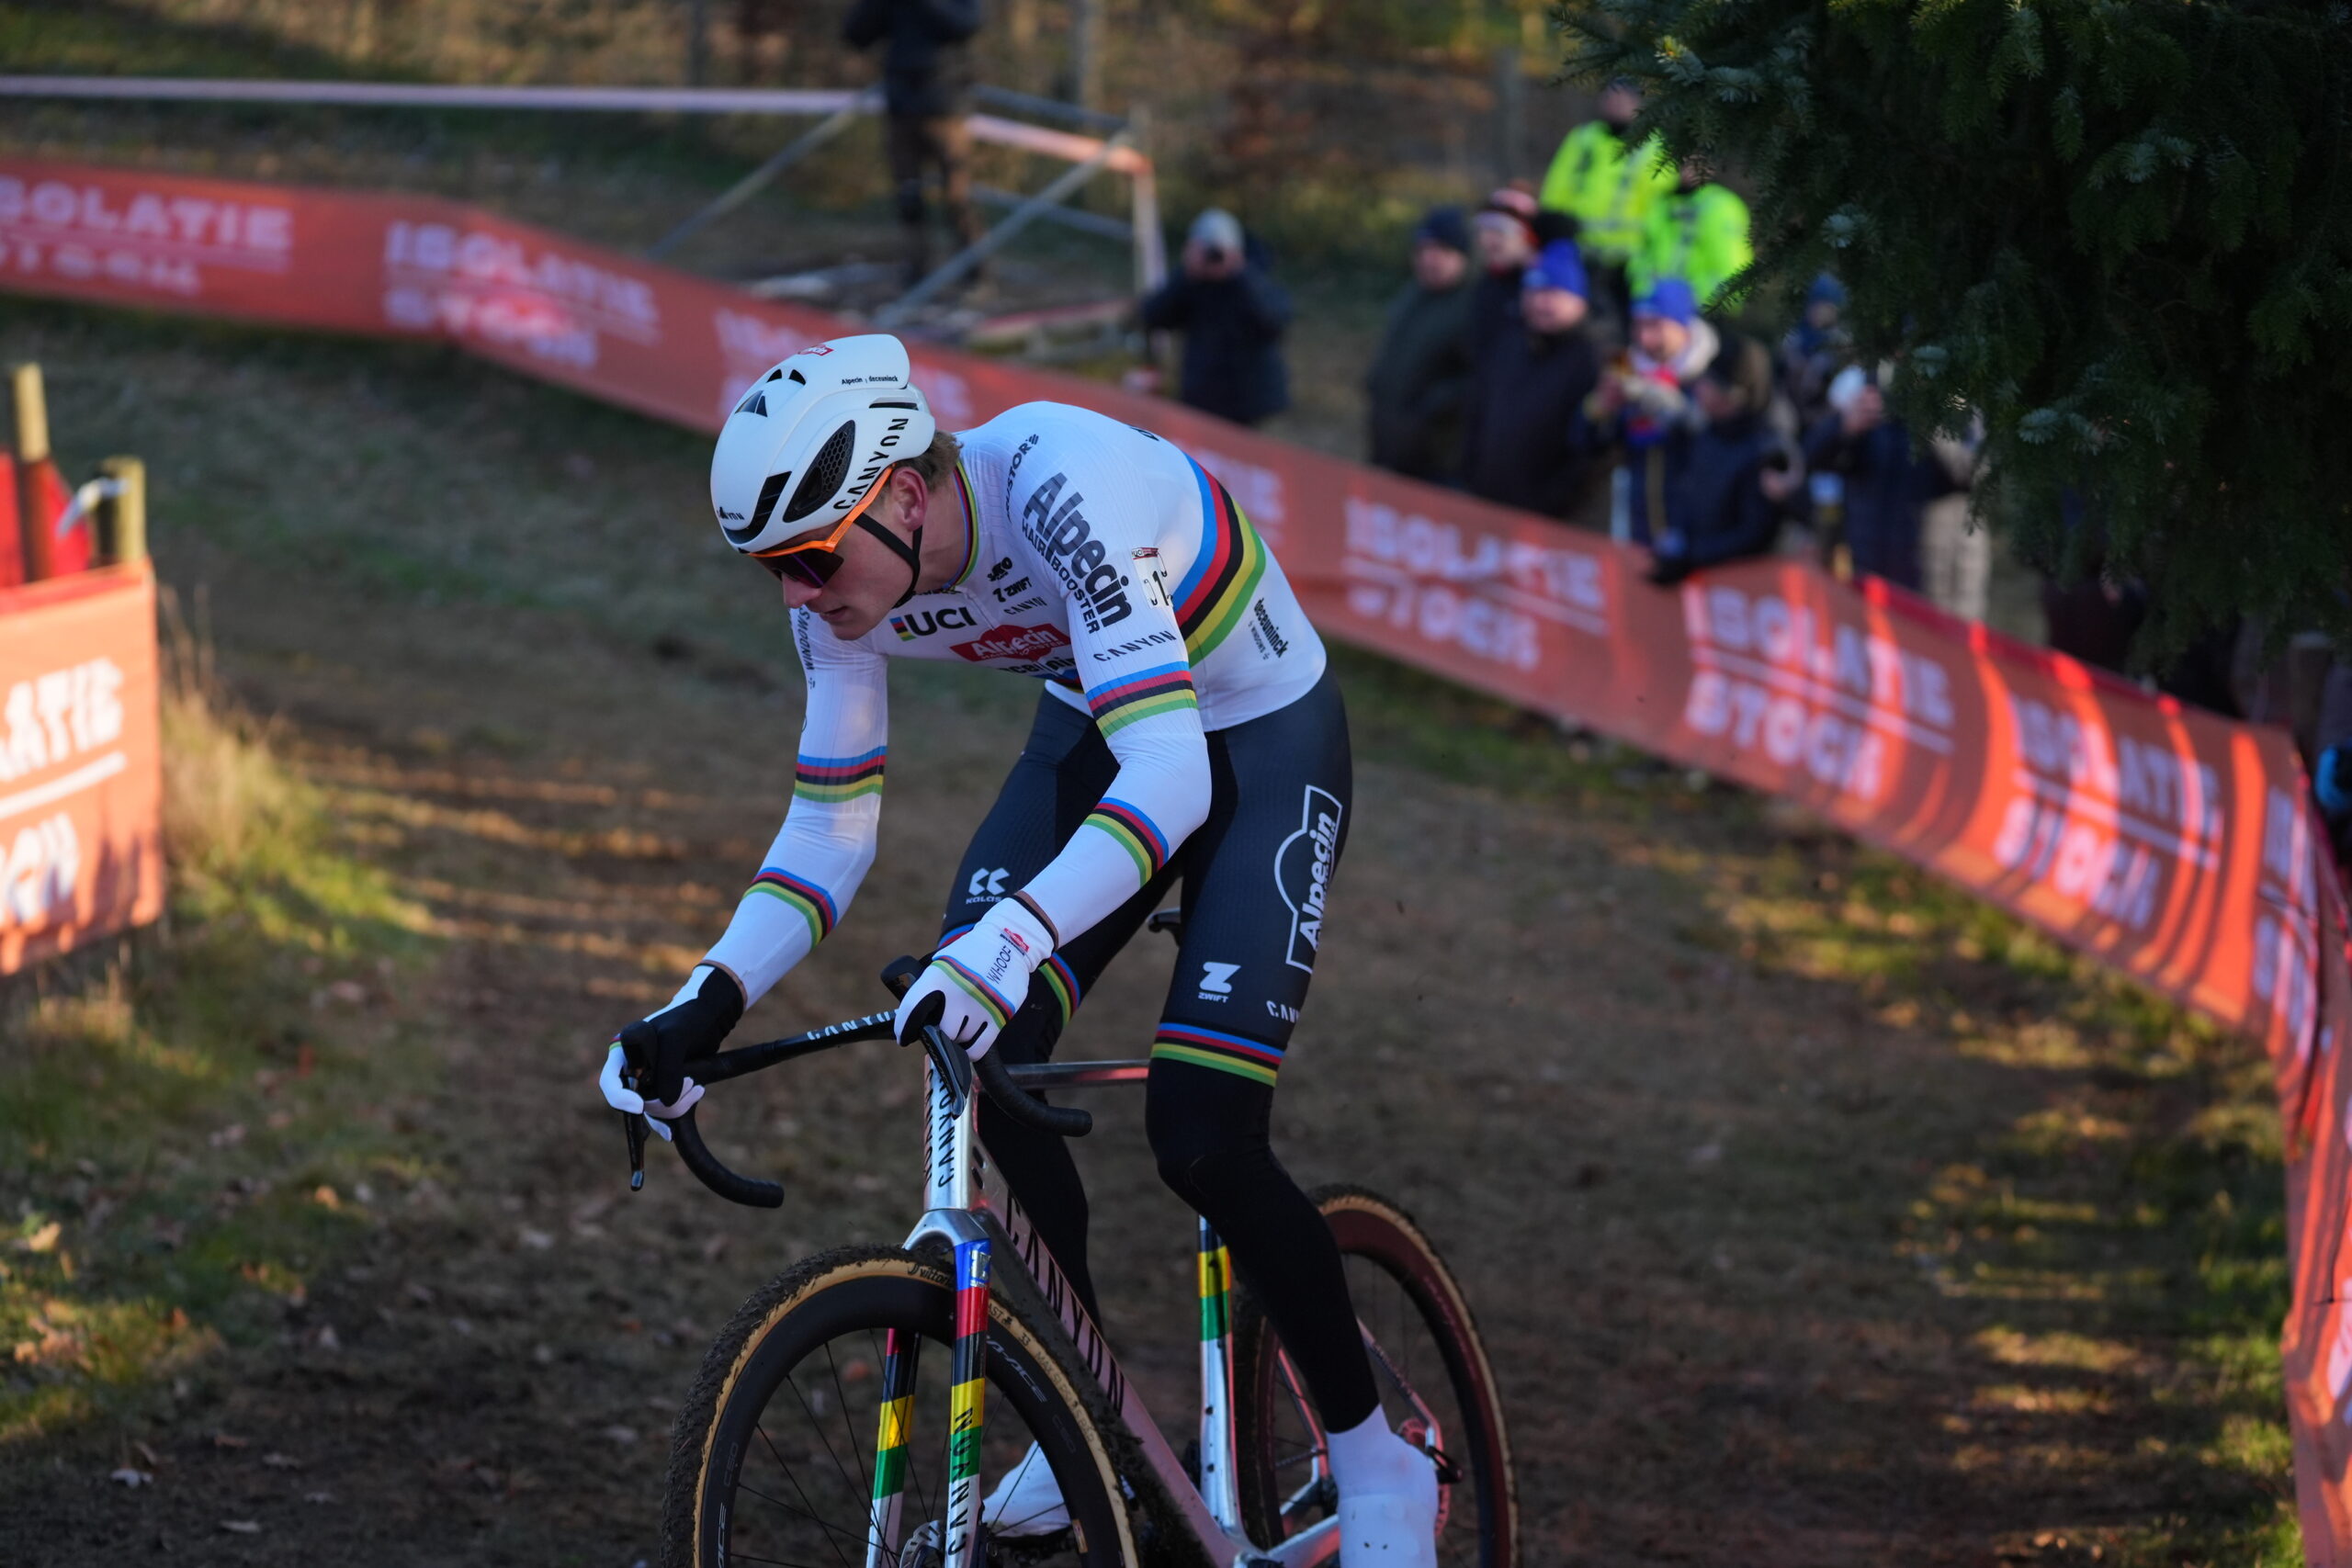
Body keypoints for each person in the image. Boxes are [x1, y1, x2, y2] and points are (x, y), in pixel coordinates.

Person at [600, 334, 1440, 1565]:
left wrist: (1017, 934)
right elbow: (831, 824)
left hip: (1257, 738)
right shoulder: (848, 580)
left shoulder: (1058, 485)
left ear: (902, 492)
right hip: (1107, 719)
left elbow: (1175, 775)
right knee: (975, 1052)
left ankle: (1377, 1465)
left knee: (1203, 1131)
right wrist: (705, 999)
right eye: (771, 568)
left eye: (809, 559)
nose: (794, 595)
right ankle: (1082, 1406)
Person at [842, 0, 985, 288]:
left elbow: (965, 26)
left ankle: (975, 271)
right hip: (901, 104)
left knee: (956, 196)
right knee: (908, 195)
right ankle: (916, 270)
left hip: (945, 105)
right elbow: (857, 34)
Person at [1461, 240, 1602, 519]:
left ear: (1578, 301)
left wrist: (1551, 502)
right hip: (1485, 504)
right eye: (1534, 292)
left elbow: (1590, 451)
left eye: (1551, 294)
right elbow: (1478, 411)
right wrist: (1469, 474)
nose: (1540, 303)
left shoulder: (1591, 360)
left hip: (1543, 521)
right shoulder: (1511, 344)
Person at [1800, 365, 1970, 594]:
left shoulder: (1959, 390)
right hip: (1870, 565)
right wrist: (1844, 426)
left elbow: (1974, 472)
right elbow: (1812, 458)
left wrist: (1931, 424)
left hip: (1938, 570)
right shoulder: (1866, 388)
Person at [1585, 277, 1717, 545]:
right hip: (1629, 522)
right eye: (1639, 325)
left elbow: (1713, 442)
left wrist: (1665, 404)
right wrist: (1597, 411)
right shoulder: (1623, 366)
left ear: (1683, 328)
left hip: (1690, 529)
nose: (1644, 337)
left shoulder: (1711, 375)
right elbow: (1587, 445)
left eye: (1655, 325)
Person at [1645, 333, 1783, 584]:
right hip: (1694, 577)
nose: (1699, 389)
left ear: (1732, 395)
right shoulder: (1706, 433)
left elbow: (1754, 533)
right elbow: (1684, 494)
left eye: (1709, 383)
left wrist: (1692, 556)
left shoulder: (1763, 449)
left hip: (1736, 587)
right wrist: (1678, 544)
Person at [1537, 77, 1674, 328]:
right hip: (1581, 252)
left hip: (1631, 261)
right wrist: (1555, 228)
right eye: (1610, 97)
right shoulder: (1584, 139)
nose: (1615, 104)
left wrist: (1655, 252)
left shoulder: (1655, 147)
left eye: (1623, 99)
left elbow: (1662, 206)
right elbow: (1556, 188)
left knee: (1627, 323)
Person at [1139, 209, 1294, 427]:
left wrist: (1239, 275)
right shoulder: (1193, 282)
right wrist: (1186, 274)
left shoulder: (1254, 278)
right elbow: (1153, 315)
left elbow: (1275, 321)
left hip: (1247, 402)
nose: (1214, 259)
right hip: (1201, 395)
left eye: (1218, 252)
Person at [1364, 206, 1476, 483]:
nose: (1429, 259)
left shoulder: (1472, 308)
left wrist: (1432, 407)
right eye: (1423, 250)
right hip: (1388, 441)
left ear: (1461, 256)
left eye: (1441, 251)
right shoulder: (1412, 294)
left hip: (1433, 458)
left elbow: (1474, 380)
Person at [1630, 157, 1753, 312]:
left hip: (1703, 309)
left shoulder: (1721, 206)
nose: (1688, 169)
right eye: (1682, 162)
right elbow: (1643, 255)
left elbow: (1731, 265)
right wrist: (1645, 293)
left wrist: (1696, 299)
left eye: (1697, 162)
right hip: (1656, 306)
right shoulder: (1662, 202)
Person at [1466, 187, 1543, 365]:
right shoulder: (1484, 285)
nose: (1485, 240)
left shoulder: (1548, 292)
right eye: (1481, 230)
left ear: (1528, 237)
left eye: (1499, 231)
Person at [1777, 274, 1849, 431]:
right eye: (1816, 305)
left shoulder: (1840, 345)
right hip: (1790, 418)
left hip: (1826, 422)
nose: (1820, 312)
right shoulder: (1792, 341)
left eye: (1826, 307)